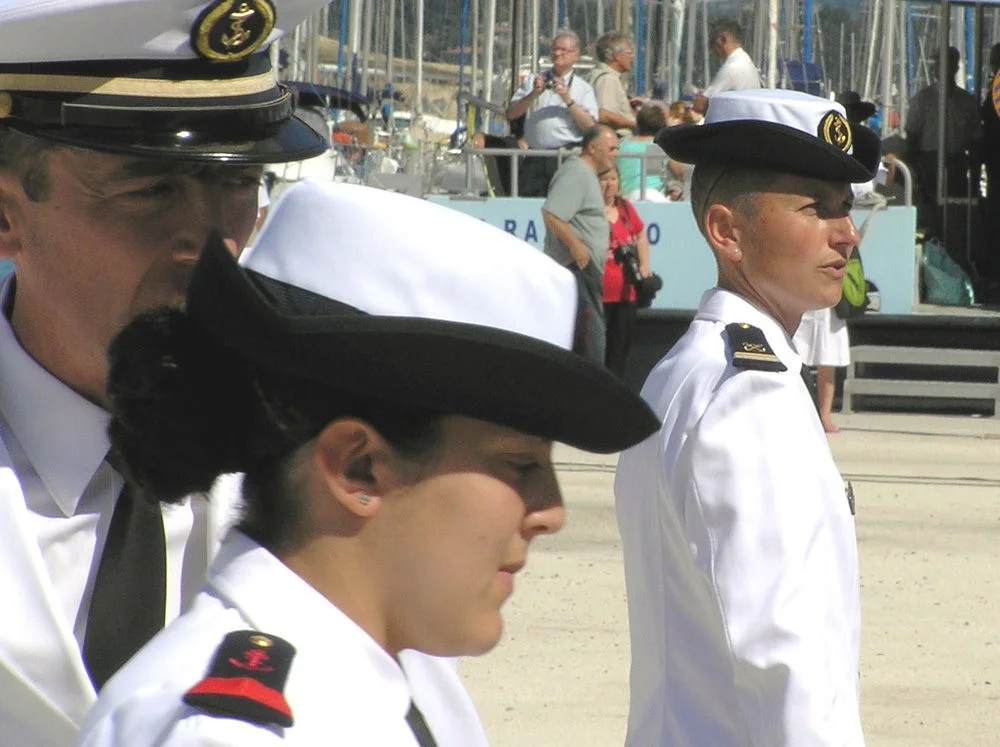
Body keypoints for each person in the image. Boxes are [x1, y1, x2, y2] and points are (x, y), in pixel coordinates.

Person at [73, 180, 660, 746]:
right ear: (358, 469)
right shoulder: (235, 735)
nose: (552, 513)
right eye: (520, 464)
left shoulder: (399, 678)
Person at [0, 1, 332, 744]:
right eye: (152, 191)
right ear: (7, 217)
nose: (216, 245)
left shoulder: (327, 467)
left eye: (239, 183)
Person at [615, 89, 880, 745]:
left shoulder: (688, 367)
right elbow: (783, 658)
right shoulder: (749, 395)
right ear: (727, 231)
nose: (846, 233)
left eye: (845, 207)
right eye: (815, 207)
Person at [541, 125, 619, 364]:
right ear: (592, 148)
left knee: (588, 336)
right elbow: (552, 213)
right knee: (589, 340)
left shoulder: (585, 175)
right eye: (611, 148)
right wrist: (576, 246)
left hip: (584, 269)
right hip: (577, 268)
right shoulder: (576, 173)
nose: (615, 154)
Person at [905, 45, 982, 254]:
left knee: (956, 219)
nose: (939, 68)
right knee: (930, 218)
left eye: (945, 63)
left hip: (957, 166)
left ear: (955, 67)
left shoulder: (968, 102)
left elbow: (976, 143)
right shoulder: (922, 99)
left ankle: (957, 255)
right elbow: (911, 138)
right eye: (937, 64)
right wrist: (916, 173)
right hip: (928, 165)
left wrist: (975, 179)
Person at [506, 30, 599, 196]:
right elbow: (512, 114)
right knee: (528, 201)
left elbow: (591, 127)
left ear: (575, 55)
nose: (557, 53)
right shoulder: (533, 81)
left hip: (567, 157)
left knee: (565, 200)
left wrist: (567, 99)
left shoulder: (583, 88)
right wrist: (533, 94)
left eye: (563, 50)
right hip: (535, 156)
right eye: (555, 49)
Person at [600, 167, 652, 378]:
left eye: (613, 178)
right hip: (600, 293)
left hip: (626, 293)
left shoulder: (626, 208)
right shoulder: (591, 210)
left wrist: (644, 265)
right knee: (599, 352)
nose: (609, 184)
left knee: (620, 352)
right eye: (604, 179)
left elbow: (640, 235)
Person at [794, 308, 850, 433]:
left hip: (828, 309)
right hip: (801, 306)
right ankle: (797, 414)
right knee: (794, 359)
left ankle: (824, 416)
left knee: (827, 360)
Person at [692, 19, 761, 115]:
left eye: (711, 41)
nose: (710, 47)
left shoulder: (733, 68)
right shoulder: (746, 62)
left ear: (722, 40)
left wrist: (695, 100)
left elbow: (701, 105)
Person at [586, 31, 640, 136]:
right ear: (617, 56)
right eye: (629, 52)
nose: (632, 56)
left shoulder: (594, 74)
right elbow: (604, 115)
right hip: (615, 139)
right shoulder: (607, 79)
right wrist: (635, 124)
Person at [617, 102, 670, 201]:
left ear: (638, 123)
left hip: (627, 199)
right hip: (653, 198)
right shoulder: (660, 146)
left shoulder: (621, 146)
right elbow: (680, 173)